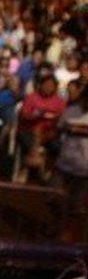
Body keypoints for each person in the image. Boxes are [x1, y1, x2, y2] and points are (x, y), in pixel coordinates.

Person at [17, 75, 67, 183]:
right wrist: (36, 116)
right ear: (41, 85)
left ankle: (46, 170)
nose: (48, 87)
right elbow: (24, 115)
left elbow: (62, 120)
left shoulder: (60, 102)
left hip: (49, 132)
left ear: (55, 87)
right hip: (29, 129)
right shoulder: (32, 97)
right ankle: (28, 168)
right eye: (46, 85)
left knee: (58, 147)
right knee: (28, 141)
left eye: (51, 86)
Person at [54, 90, 88, 235]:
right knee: (53, 197)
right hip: (65, 163)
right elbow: (59, 128)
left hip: (85, 168)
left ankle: (69, 236)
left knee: (77, 206)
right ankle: (55, 228)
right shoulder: (71, 111)